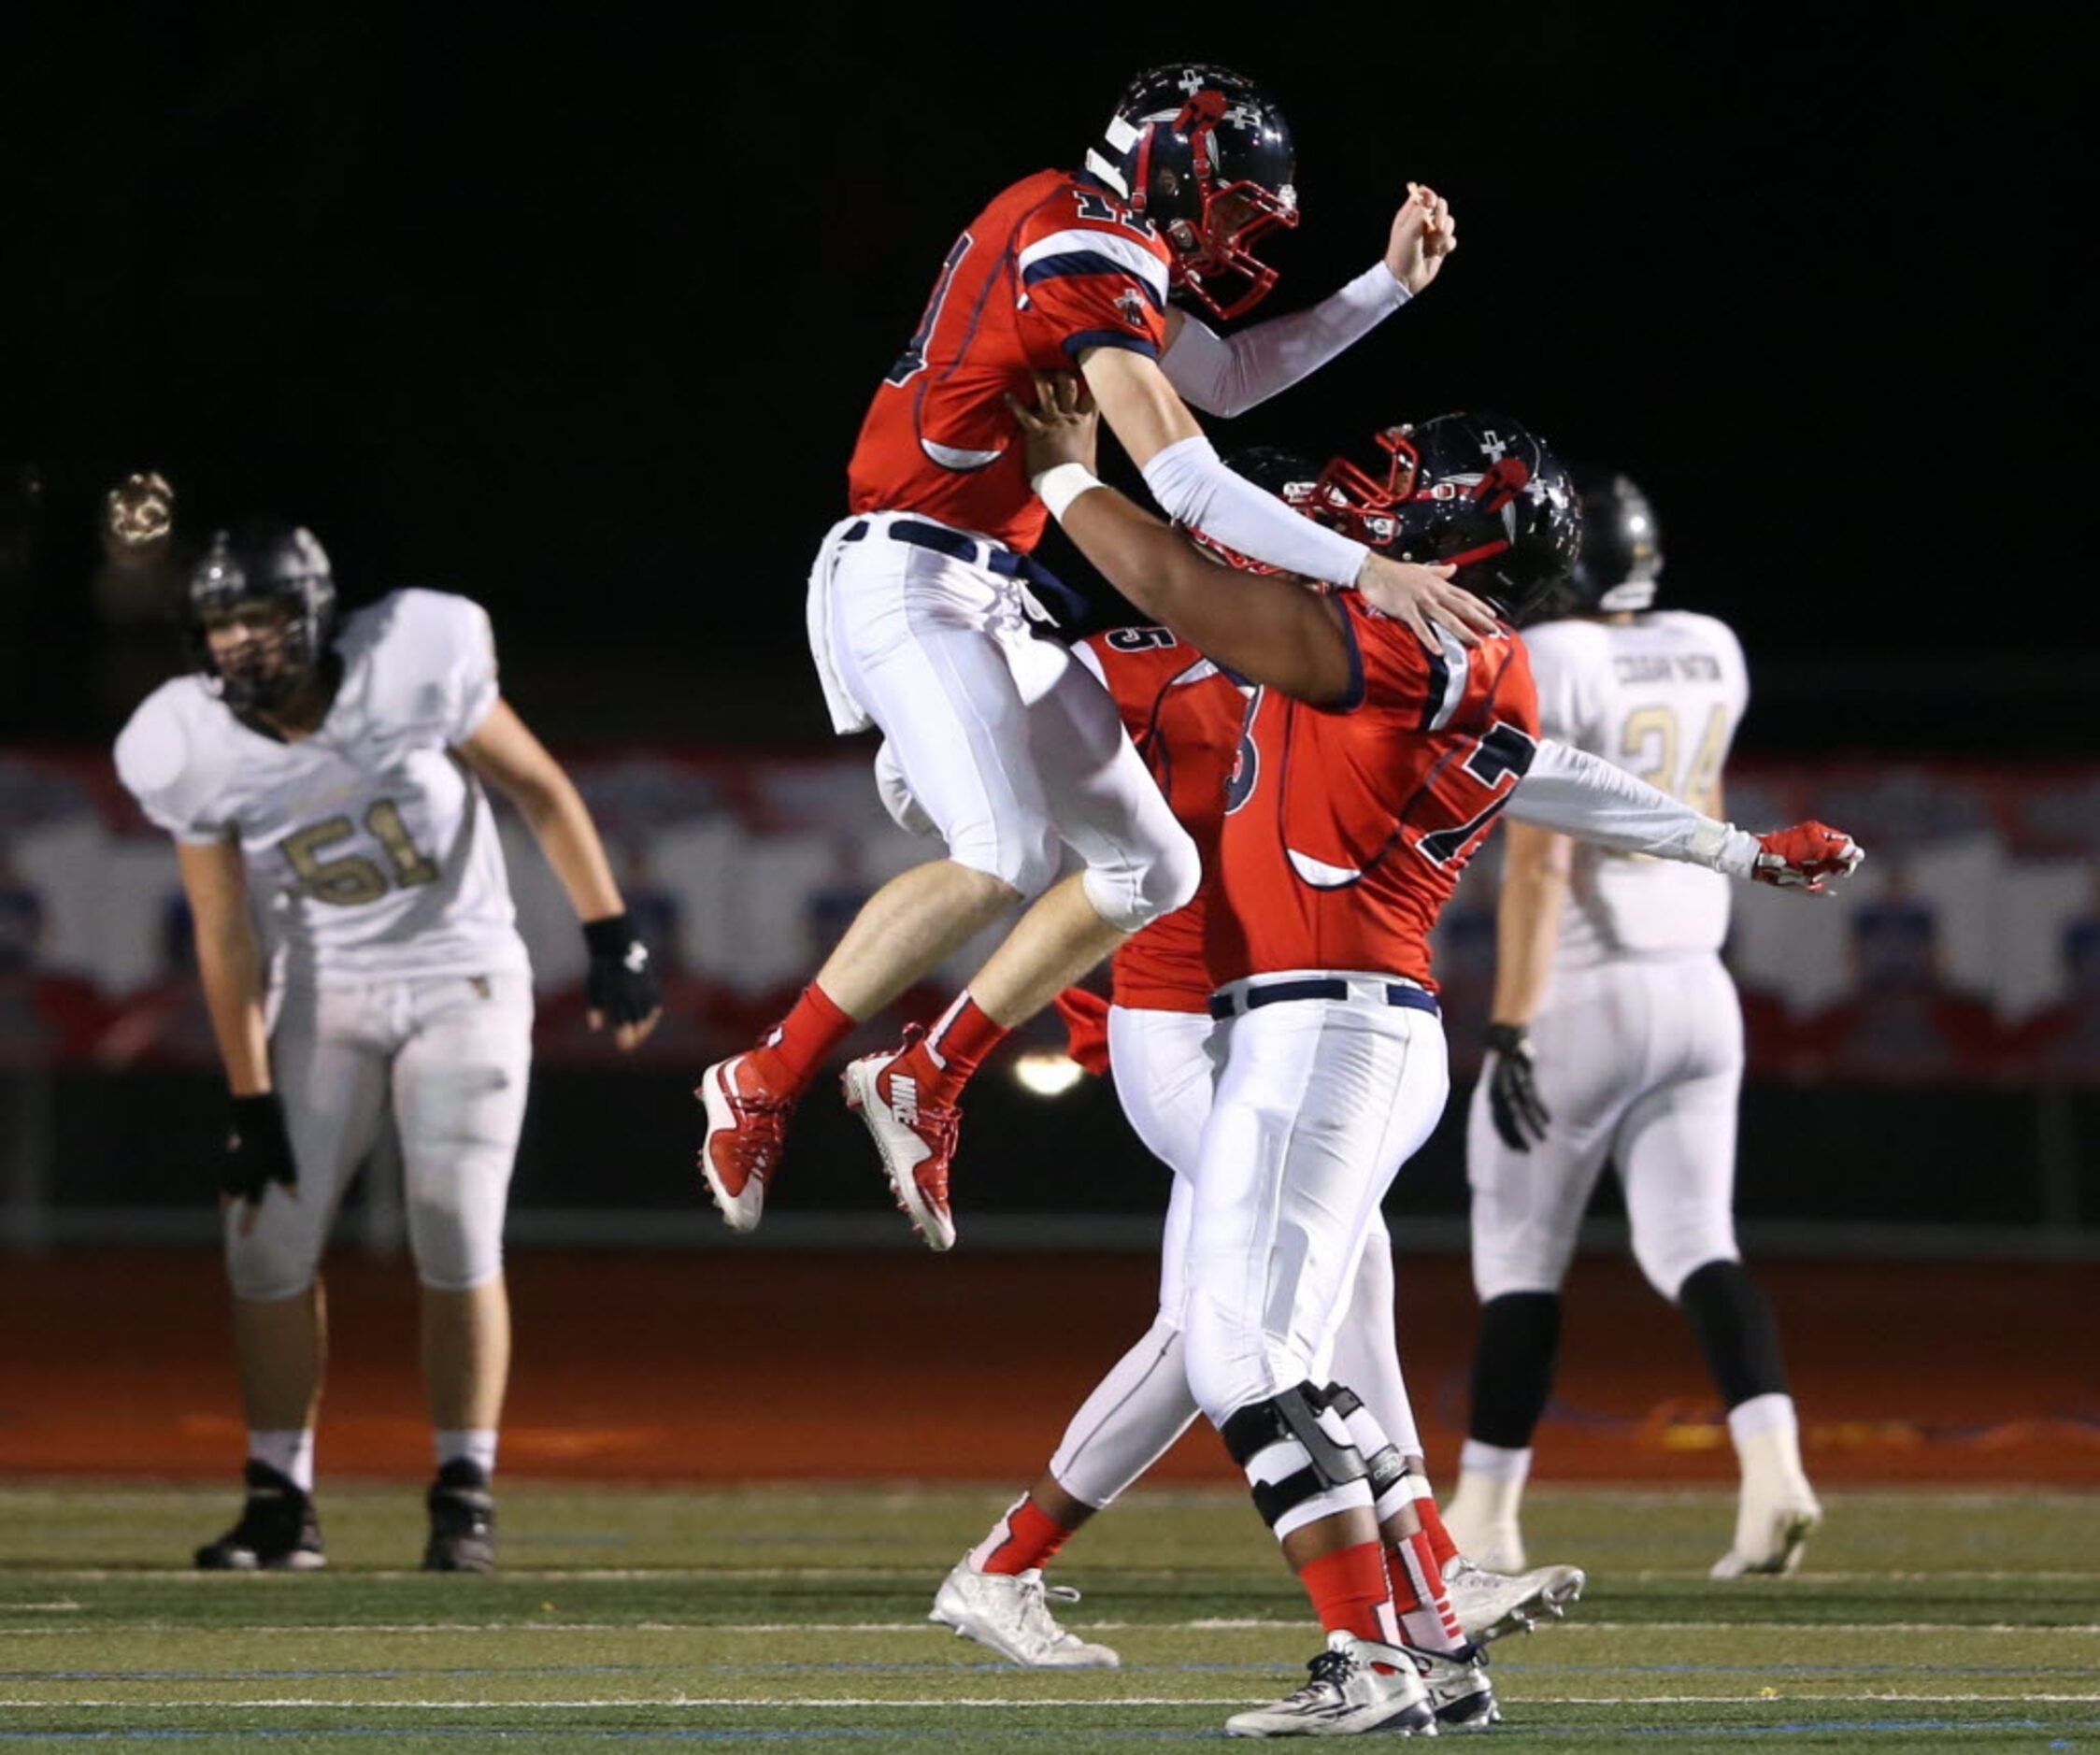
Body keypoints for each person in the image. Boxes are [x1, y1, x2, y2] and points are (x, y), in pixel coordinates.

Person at [1008, 377, 1863, 1736]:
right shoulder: (1496, 656)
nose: (1380, 489)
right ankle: (1429, 1648)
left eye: (1417, 483)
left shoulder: (1398, 644)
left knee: (1243, 1354)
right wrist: (1734, 848)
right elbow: (1564, 777)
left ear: (1459, 541)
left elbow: (1182, 582)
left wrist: (1062, 474)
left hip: (1320, 1023)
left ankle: (1373, 1658)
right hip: (1359, 1023)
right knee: (1290, 1344)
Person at [698, 62, 1497, 1252]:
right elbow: (1182, 476)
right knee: (1005, 852)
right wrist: (1361, 568)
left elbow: (1223, 379)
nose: (1228, 237)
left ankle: (927, 1070)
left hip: (983, 588)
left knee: (1151, 868)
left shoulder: (1087, 229)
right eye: (1224, 205)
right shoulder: (1079, 237)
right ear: (1167, 162)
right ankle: (762, 1077)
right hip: (908, 575)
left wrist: (1383, 288)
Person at [906, 457, 1584, 1713]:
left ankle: (1012, 1563)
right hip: (1177, 1018)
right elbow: (971, 753)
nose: (1335, 523)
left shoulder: (1335, 627)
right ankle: (1420, 1592)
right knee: (1271, 1308)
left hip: (1286, 1017)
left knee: (1238, 1313)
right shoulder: (1142, 633)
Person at [113, 521, 663, 1572]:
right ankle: (280, 1501)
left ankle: (464, 1491)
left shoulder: (412, 665)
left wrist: (610, 931)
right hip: (321, 994)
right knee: (265, 1240)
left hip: (461, 978)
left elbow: (538, 786)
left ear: (314, 615)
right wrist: (249, 1097)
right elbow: (224, 931)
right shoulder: (189, 745)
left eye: (262, 615)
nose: (240, 641)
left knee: (453, 1226)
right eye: (222, 621)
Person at [1441, 471, 1825, 1579]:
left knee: (1518, 1255)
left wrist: (1511, 1024)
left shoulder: (1554, 659)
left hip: (1587, 985)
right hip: (1699, 983)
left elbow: (1542, 855)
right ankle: (1774, 1475)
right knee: (1695, 1242)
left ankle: (1488, 1513)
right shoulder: (1712, 642)